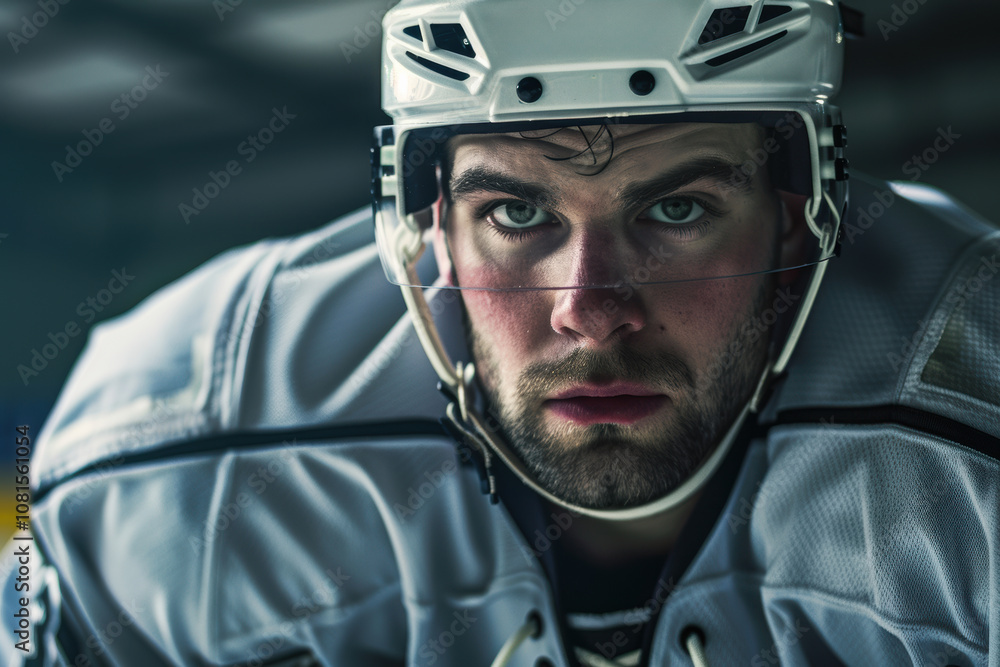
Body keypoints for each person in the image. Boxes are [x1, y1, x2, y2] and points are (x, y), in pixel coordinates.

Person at [2, 0, 997, 665]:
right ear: (429, 231)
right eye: (518, 216)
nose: (590, 306)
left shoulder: (973, 427)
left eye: (678, 211)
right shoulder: (170, 450)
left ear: (797, 219)